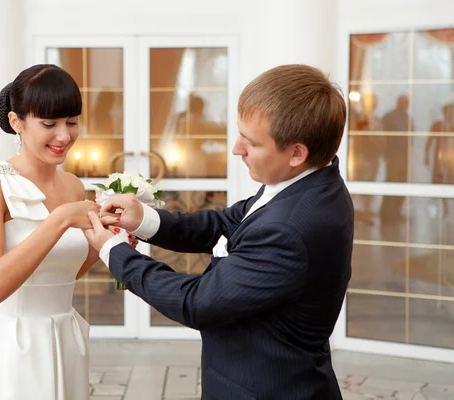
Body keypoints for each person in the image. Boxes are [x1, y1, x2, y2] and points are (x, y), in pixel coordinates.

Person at [84, 64, 353, 399]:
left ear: (297, 153)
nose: (236, 149)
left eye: (251, 143)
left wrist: (114, 251)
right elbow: (226, 222)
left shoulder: (289, 229)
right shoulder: (309, 183)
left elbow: (196, 302)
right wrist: (145, 220)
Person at [0, 64, 119, 399]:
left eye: (71, 122)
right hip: (6, 348)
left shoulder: (73, 185)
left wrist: (107, 240)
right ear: (17, 123)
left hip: (64, 338)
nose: (64, 135)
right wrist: (58, 221)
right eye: (49, 124)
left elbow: (63, 272)